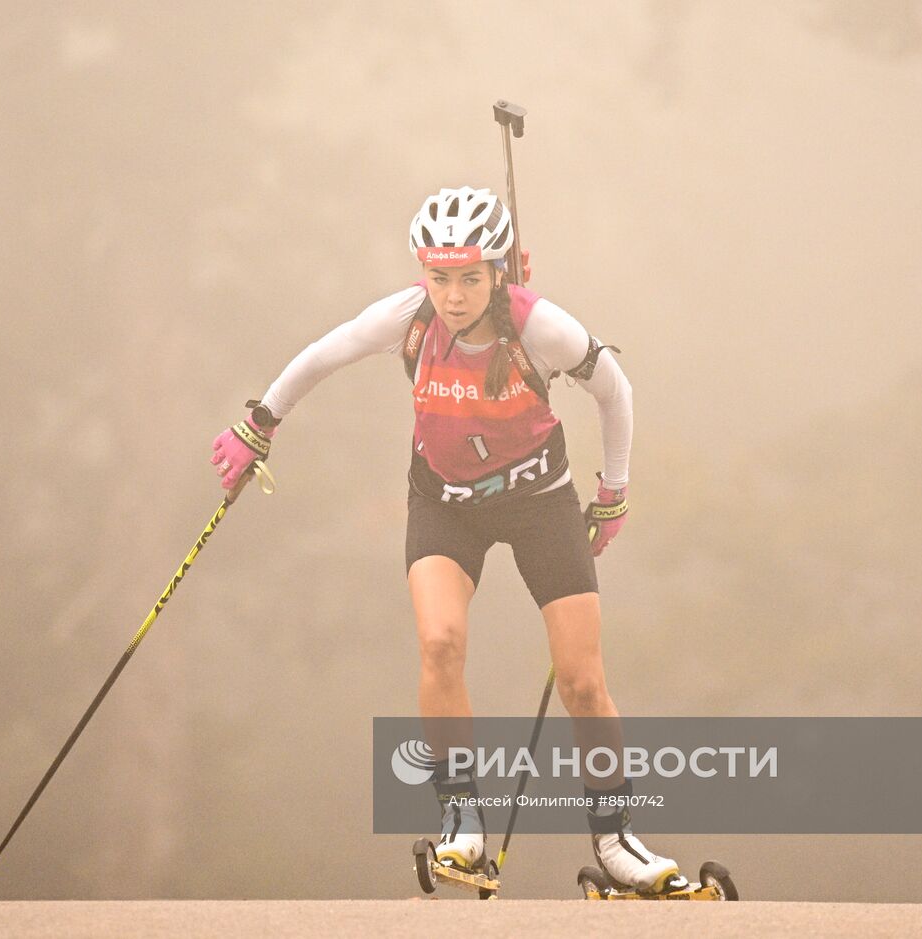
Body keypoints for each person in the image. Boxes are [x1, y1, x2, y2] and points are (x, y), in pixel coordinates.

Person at [210, 186, 678, 893]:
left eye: (468, 278)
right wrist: (260, 423)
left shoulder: (539, 327)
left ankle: (616, 839)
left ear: (499, 272)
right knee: (439, 643)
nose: (453, 296)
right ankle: (463, 820)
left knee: (582, 679)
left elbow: (617, 391)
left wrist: (613, 493)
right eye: (439, 277)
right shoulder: (409, 318)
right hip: (443, 504)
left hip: (540, 504)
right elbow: (321, 354)